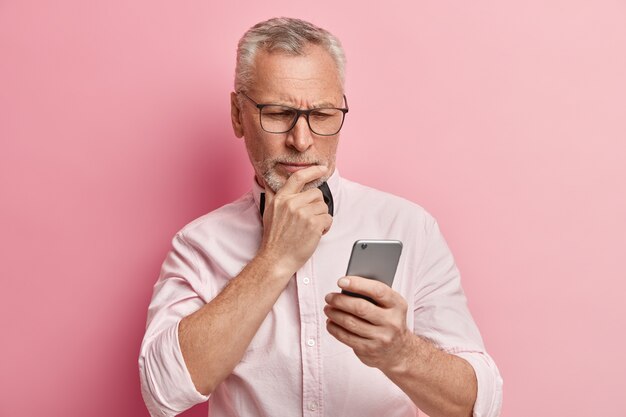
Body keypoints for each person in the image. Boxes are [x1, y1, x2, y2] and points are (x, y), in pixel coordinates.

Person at [139, 17, 503, 417]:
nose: (301, 140)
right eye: (278, 113)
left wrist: (400, 352)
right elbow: (162, 391)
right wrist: (274, 259)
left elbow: (479, 406)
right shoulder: (199, 244)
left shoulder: (409, 226)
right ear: (238, 115)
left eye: (324, 115)